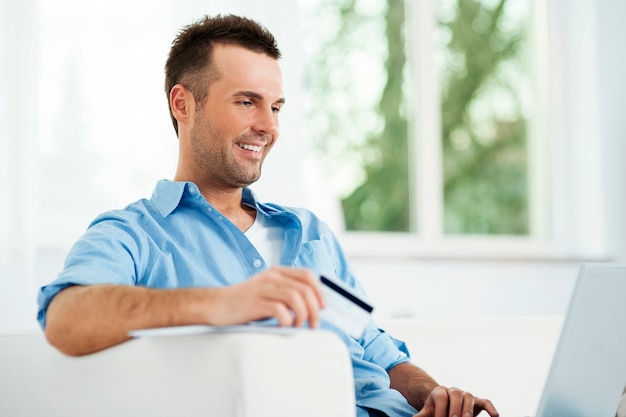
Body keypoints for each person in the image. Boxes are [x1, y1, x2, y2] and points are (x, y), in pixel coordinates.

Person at [37, 14, 499, 417]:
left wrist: (436, 395)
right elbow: (65, 318)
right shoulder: (134, 232)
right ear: (183, 104)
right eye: (246, 102)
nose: (269, 126)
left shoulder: (308, 230)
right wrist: (223, 304)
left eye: (275, 106)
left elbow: (373, 346)